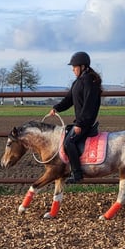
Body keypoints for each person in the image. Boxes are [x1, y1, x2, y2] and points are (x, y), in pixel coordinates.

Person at [49, 51, 103, 184]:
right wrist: (56, 108)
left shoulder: (90, 81)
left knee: (69, 142)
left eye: (74, 67)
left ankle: (77, 174)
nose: (73, 69)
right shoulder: (78, 81)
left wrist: (80, 124)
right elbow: (69, 100)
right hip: (80, 121)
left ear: (83, 66)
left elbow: (88, 105)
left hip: (85, 122)